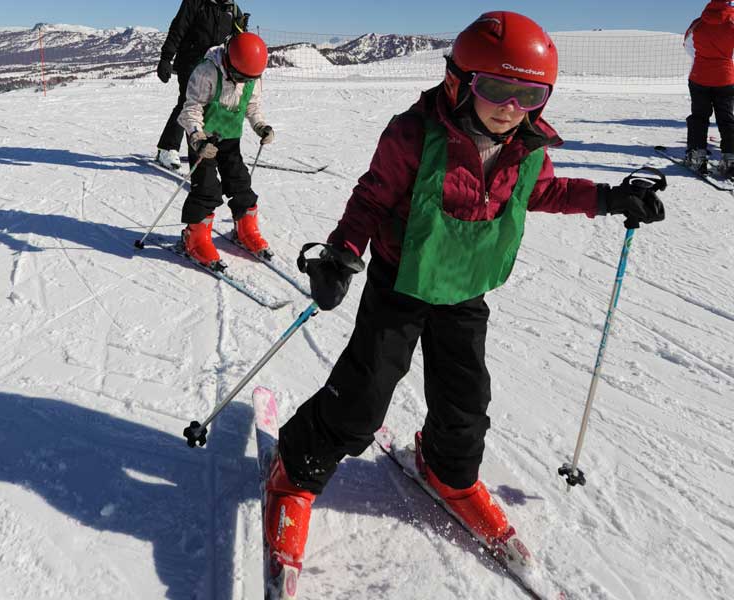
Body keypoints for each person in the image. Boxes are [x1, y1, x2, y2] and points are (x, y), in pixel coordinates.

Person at [263, 10, 666, 582]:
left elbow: (542, 191)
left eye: (530, 93)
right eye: (497, 88)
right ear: (460, 80)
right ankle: (295, 467)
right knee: (365, 393)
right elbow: (372, 198)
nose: (511, 106)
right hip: (402, 280)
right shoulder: (413, 132)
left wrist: (608, 198)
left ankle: (446, 467)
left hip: (464, 285)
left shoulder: (525, 145)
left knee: (465, 398)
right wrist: (341, 254)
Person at [177, 31, 275, 267]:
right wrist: (197, 138)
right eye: (239, 77)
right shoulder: (207, 71)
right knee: (207, 188)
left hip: (231, 139)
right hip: (203, 141)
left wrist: (260, 125)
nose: (243, 82)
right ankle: (195, 238)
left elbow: (252, 105)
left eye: (247, 79)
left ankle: (245, 229)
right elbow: (191, 108)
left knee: (240, 182)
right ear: (230, 62)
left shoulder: (251, 77)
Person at [156, 0, 249, 170]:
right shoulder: (195, 2)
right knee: (188, 102)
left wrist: (242, 33)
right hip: (190, 61)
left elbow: (239, 39)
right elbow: (178, 28)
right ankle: (167, 148)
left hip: (215, 67)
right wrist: (166, 58)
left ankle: (204, 145)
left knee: (210, 107)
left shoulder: (233, 9)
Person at [683, 0, 734, 176]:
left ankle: (697, 157)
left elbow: (688, 46)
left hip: (699, 76)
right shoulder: (732, 22)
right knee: (726, 118)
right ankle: (730, 158)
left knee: (699, 116)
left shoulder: (698, 23)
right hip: (726, 78)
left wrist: (705, 59)